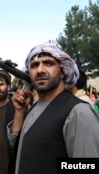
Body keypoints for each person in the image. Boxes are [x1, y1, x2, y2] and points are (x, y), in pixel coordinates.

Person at [8, 43, 99, 174]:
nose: (40, 70)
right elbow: (20, 147)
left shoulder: (78, 112)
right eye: (34, 65)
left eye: (48, 63)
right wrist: (19, 112)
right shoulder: (33, 107)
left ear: (63, 71)